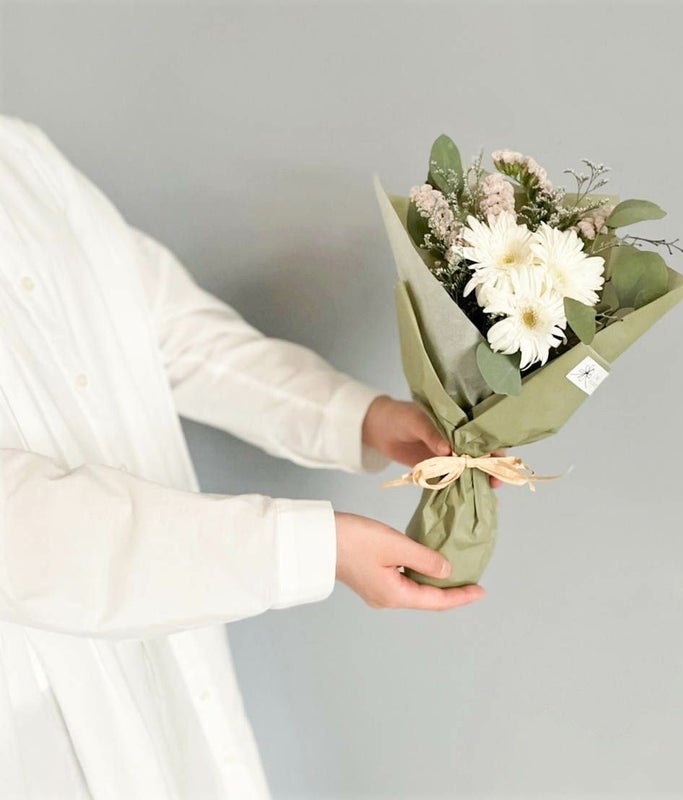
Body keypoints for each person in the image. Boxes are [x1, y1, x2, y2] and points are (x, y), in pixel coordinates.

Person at [0, 115, 486, 799]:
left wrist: (359, 417)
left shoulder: (19, 156)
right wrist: (311, 548)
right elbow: (24, 530)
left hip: (170, 654)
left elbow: (169, 328)